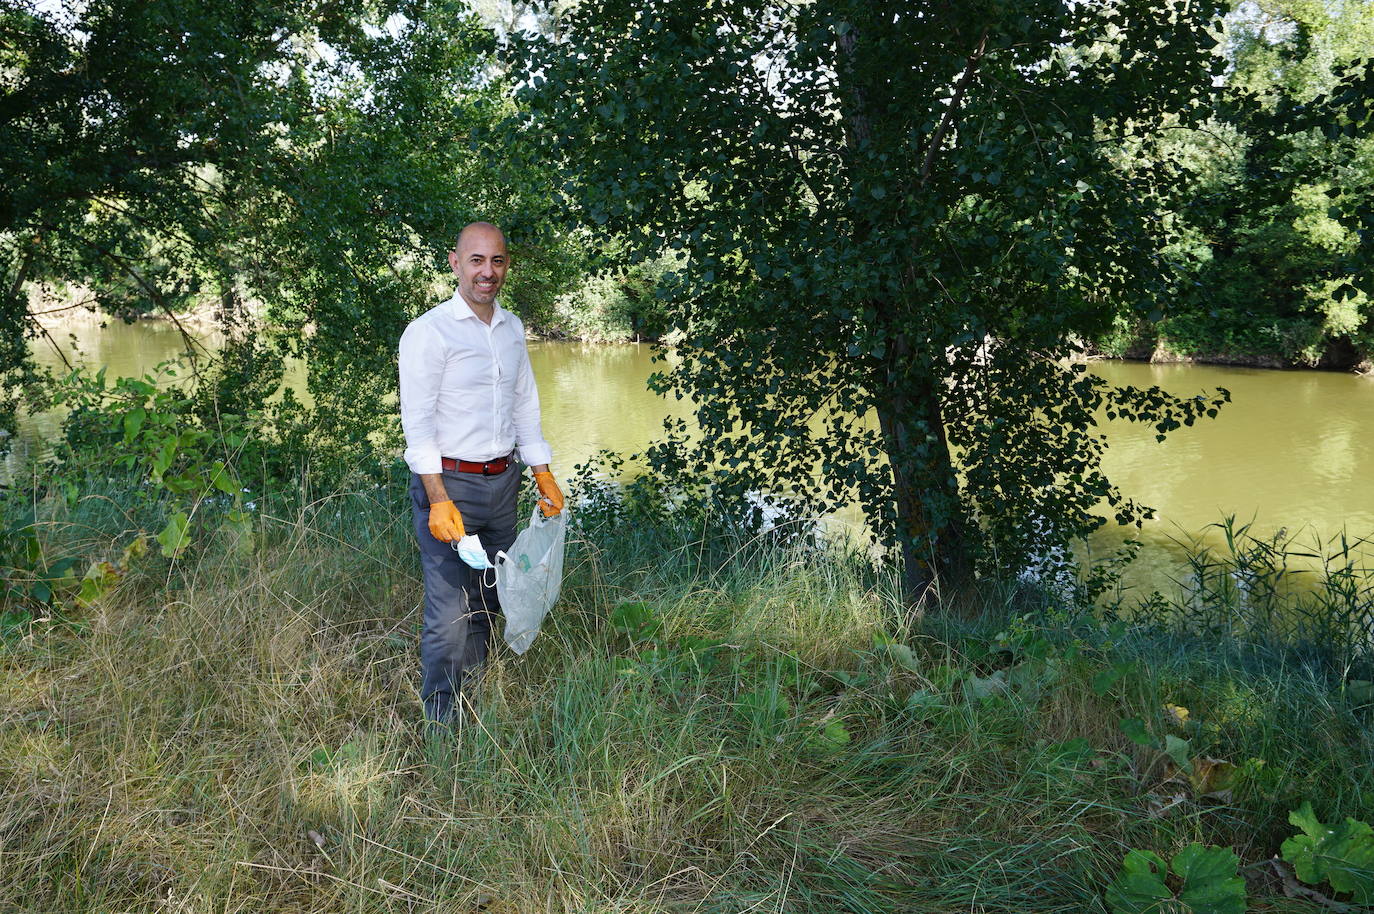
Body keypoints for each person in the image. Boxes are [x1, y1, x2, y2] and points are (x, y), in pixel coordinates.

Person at [398, 221, 564, 726]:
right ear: (455, 262)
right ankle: (442, 724)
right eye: (476, 260)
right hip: (450, 486)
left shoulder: (512, 328)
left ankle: (475, 692)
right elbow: (418, 425)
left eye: (496, 261)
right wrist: (438, 498)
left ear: (506, 264)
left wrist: (543, 474)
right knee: (449, 612)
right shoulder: (429, 332)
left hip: (504, 482)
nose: (486, 272)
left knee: (492, 593)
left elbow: (524, 406)